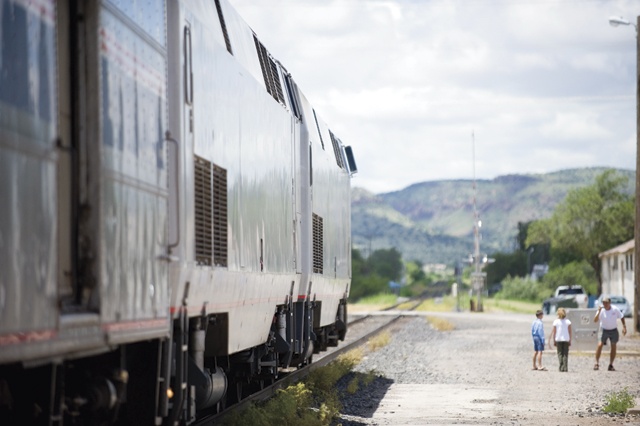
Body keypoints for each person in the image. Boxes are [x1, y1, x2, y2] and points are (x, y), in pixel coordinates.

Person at [593, 296, 627, 371]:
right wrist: (598, 312)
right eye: (604, 303)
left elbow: (621, 316)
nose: (605, 304)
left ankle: (611, 364)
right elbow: (595, 320)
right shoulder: (601, 310)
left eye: (606, 303)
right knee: (600, 345)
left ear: (609, 303)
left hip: (613, 329)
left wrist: (624, 327)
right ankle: (596, 363)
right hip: (603, 329)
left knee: (613, 345)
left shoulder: (615, 309)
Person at [550, 307, 572, 372]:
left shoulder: (556, 322)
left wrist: (554, 340)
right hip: (566, 339)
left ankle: (561, 367)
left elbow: (554, 332)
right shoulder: (568, 321)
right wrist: (570, 340)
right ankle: (565, 367)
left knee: (560, 353)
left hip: (558, 339)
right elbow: (570, 332)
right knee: (565, 354)